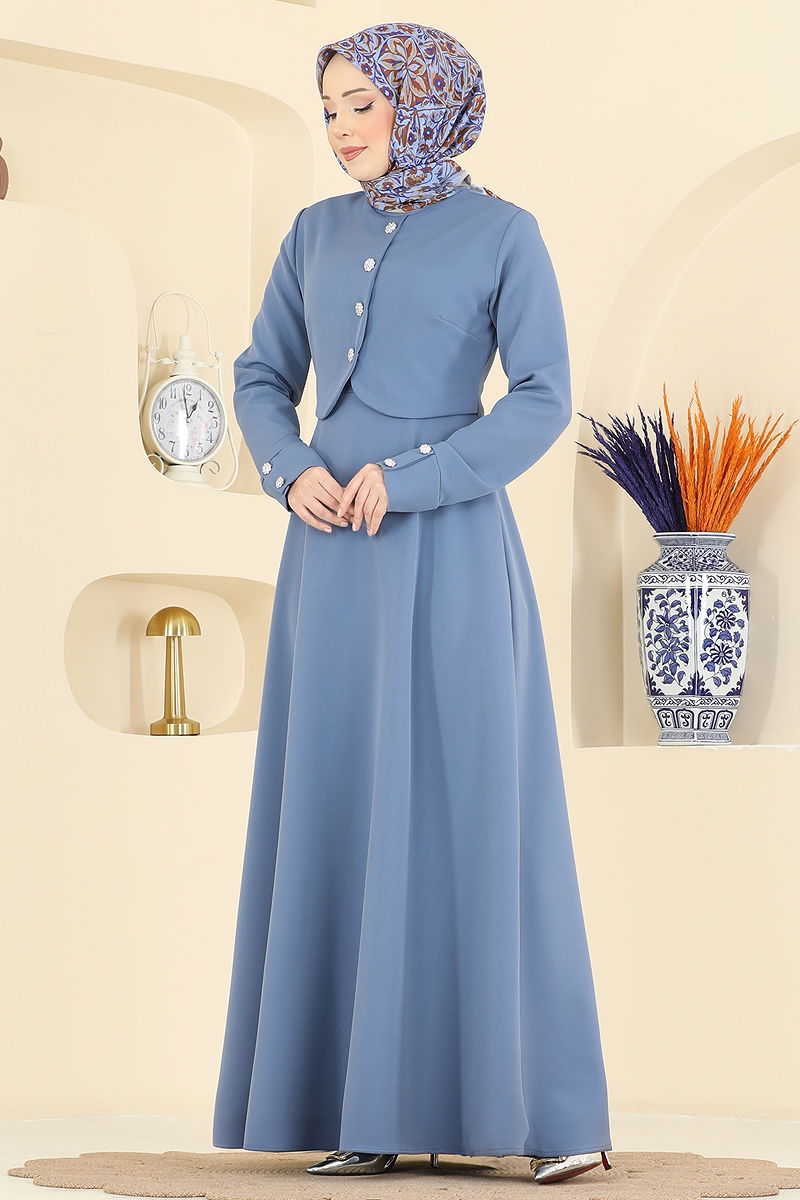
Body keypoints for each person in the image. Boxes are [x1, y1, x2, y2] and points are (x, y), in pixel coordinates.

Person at [211, 21, 614, 1187]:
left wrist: (419, 477)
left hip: (448, 555)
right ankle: (367, 1108)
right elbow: (259, 375)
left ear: (424, 104)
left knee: (478, 808)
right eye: (329, 109)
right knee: (341, 803)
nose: (340, 130)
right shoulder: (312, 232)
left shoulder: (503, 233)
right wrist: (290, 471)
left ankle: (549, 1117)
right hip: (330, 559)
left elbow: (540, 396)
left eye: (360, 105)